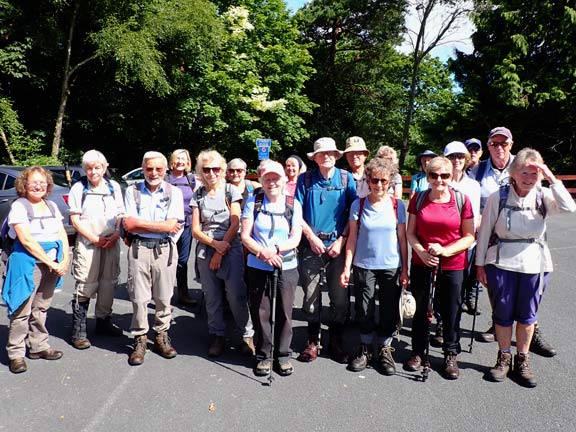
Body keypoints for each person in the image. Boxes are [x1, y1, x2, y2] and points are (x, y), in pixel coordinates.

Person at [476, 148, 575, 387]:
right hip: (500, 262)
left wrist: (551, 177)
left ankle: (522, 359)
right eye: (524, 172)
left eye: (534, 173)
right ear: (513, 172)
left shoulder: (543, 195)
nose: (529, 178)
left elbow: (570, 207)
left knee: (528, 317)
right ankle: (503, 358)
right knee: (502, 314)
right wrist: (479, 265)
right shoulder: (498, 197)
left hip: (535, 264)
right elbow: (486, 231)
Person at [470, 127, 556, 356]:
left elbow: (566, 206)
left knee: (527, 304)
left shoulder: (526, 166)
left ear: (511, 144)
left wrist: (549, 177)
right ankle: (501, 335)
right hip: (493, 241)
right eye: (494, 143)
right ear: (488, 146)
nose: (499, 148)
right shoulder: (477, 171)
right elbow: (469, 199)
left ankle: (529, 337)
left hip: (529, 249)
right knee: (500, 298)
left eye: (503, 143)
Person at [404, 157, 475, 380]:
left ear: (451, 175)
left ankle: (450, 354)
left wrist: (445, 250)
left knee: (451, 310)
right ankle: (417, 351)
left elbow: (469, 236)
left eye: (444, 175)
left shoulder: (462, 200)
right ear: (427, 176)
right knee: (421, 309)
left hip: (453, 263)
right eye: (433, 175)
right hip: (422, 262)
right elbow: (410, 232)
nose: (439, 180)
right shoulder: (419, 198)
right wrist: (422, 252)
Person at [340, 158, 408, 375]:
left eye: (384, 181)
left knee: (389, 307)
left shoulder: (398, 205)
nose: (379, 185)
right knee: (364, 306)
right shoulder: (358, 204)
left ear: (390, 182)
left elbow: (402, 238)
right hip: (364, 264)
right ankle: (365, 347)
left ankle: (385, 347)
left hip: (390, 264)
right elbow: (351, 239)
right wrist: (346, 267)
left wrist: (405, 269)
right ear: (368, 181)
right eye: (375, 180)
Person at [295, 137, 357, 364]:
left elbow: (354, 213)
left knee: (339, 299)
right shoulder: (305, 179)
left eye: (331, 152)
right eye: (322, 153)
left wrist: (342, 240)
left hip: (337, 246)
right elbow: (297, 214)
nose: (327, 156)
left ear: (336, 155)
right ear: (315, 158)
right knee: (310, 298)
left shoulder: (346, 178)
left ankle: (336, 342)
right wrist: (310, 237)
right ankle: (313, 342)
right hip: (311, 246)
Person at [2, 167, 70, 374]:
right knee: (21, 309)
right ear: (24, 185)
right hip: (27, 263)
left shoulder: (50, 206)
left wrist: (65, 259)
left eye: (43, 182)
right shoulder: (19, 206)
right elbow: (26, 240)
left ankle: (38, 346)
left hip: (52, 263)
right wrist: (52, 263)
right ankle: (15, 353)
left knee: (41, 307)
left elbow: (62, 233)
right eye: (34, 182)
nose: (39, 186)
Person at [241, 160, 303, 377]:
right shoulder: (253, 202)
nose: (272, 182)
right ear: (261, 180)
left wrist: (276, 249)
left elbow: (296, 237)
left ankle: (283, 354)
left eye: (276, 177)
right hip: (258, 265)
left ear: (284, 179)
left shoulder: (293, 203)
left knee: (285, 312)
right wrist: (264, 253)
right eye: (267, 178)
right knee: (261, 311)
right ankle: (263, 355)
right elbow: (245, 236)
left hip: (286, 265)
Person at [191, 150, 255, 358]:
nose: (211, 173)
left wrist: (221, 249)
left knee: (236, 294)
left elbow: (235, 221)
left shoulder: (230, 191)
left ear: (222, 170)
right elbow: (195, 229)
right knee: (212, 296)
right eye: (206, 169)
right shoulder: (198, 194)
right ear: (201, 171)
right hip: (206, 247)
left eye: (215, 169)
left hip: (230, 246)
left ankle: (247, 335)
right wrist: (214, 245)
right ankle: (216, 334)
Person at [122, 151, 184, 366]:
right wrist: (162, 226)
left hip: (164, 249)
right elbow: (129, 224)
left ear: (165, 169)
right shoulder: (132, 191)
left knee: (164, 296)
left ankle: (161, 334)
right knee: (139, 297)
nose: (154, 172)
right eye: (149, 168)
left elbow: (173, 224)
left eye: (158, 168)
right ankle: (140, 338)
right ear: (143, 169)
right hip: (139, 248)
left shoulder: (173, 192)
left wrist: (143, 224)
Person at [68, 150, 124, 350]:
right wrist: (93, 238)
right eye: (89, 168)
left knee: (108, 283)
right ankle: (79, 329)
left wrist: (117, 234)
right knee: (86, 282)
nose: (93, 172)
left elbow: (120, 215)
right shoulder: (78, 188)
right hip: (88, 243)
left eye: (97, 167)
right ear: (85, 169)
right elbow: (74, 219)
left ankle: (103, 321)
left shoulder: (114, 187)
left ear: (104, 167)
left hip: (111, 241)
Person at [444, 141, 481, 315]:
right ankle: (441, 321)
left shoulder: (473, 186)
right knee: (442, 285)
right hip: (443, 242)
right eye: (452, 156)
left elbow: (474, 215)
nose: (456, 160)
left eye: (460, 156)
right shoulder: (438, 182)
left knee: (460, 283)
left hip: (466, 243)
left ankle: (453, 321)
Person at [166, 149, 199, 306]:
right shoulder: (165, 178)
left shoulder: (192, 179)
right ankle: (162, 295)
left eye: (183, 159)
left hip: (186, 225)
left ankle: (183, 293)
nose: (180, 161)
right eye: (177, 158)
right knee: (164, 260)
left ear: (188, 162)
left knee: (183, 261)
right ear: (172, 160)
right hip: (168, 226)